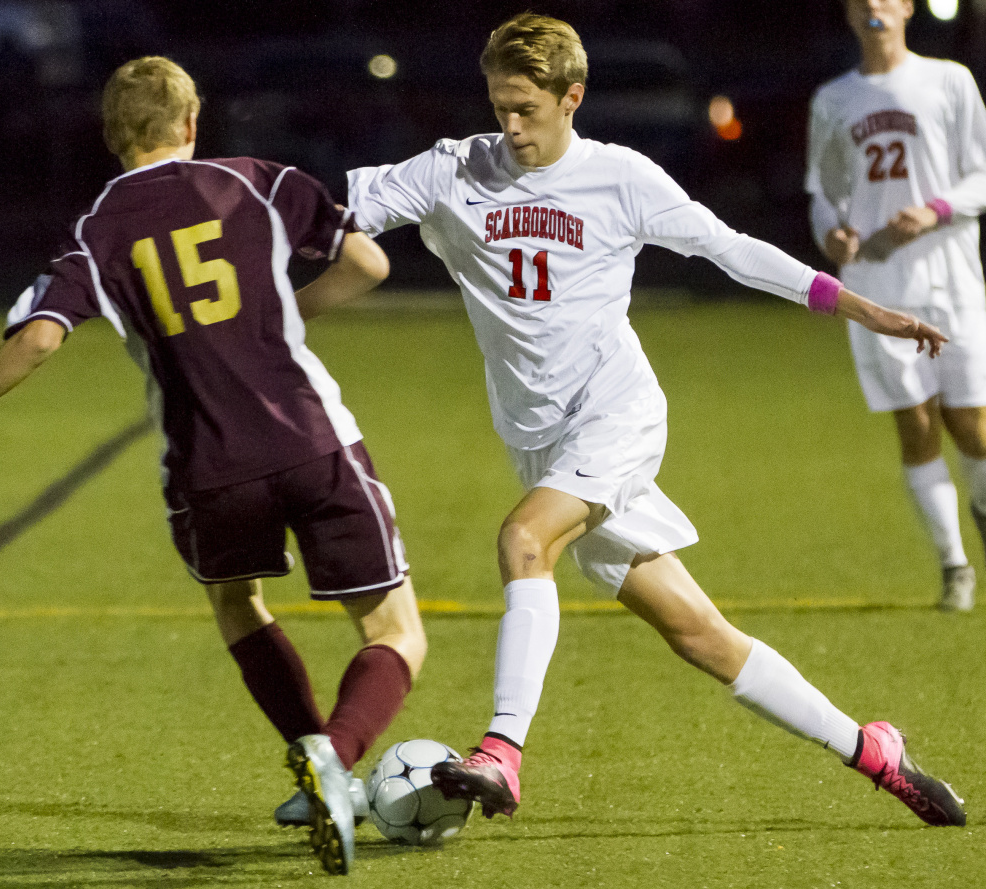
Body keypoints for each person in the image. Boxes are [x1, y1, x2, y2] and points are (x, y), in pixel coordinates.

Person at [345, 13, 966, 828]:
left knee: (522, 542)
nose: (510, 126)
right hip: (539, 443)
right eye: (500, 105)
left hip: (616, 417)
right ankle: (872, 748)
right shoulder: (454, 170)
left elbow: (730, 248)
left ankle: (502, 749)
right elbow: (336, 208)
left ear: (573, 97)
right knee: (698, 632)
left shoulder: (622, 178)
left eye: (527, 108)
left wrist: (855, 305)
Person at [0, 56, 428, 876]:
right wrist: (292, 312)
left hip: (204, 465)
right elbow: (368, 262)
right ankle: (335, 754)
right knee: (396, 628)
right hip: (312, 437)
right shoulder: (256, 179)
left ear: (113, 135)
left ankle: (313, 762)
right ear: (192, 122)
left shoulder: (97, 227)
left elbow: (41, 338)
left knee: (237, 602)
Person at [807, 0, 986, 612]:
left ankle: (982, 507)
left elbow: (981, 175)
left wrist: (933, 210)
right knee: (915, 424)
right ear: (849, 15)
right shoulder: (835, 97)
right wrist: (830, 232)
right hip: (877, 285)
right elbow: (822, 193)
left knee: (973, 425)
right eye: (860, 1)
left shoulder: (948, 80)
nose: (872, 8)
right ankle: (954, 565)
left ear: (907, 7)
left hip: (952, 278)